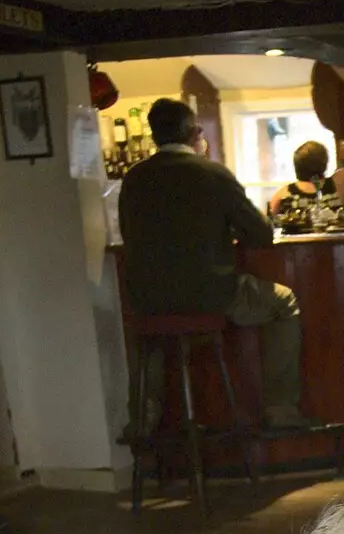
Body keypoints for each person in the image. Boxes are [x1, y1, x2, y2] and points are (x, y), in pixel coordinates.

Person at [119, 98, 306, 430]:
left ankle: (144, 422)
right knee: (284, 301)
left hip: (147, 300)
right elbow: (261, 235)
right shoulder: (212, 174)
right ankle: (280, 410)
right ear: (195, 133)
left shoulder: (134, 178)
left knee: (150, 339)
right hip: (210, 295)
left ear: (155, 136)